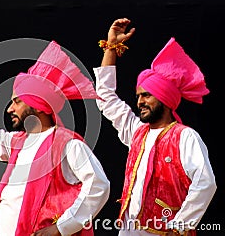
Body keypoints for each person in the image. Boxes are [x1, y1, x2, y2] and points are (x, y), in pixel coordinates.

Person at [0, 40, 110, 235]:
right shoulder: (17, 143)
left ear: (38, 104)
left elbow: (98, 185)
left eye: (17, 101)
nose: (10, 109)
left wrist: (61, 227)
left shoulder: (67, 145)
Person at [92, 18, 217, 235]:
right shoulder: (136, 132)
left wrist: (179, 227)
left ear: (165, 99)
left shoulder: (185, 137)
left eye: (147, 95)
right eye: (138, 96)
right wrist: (111, 48)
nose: (139, 102)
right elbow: (105, 97)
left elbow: (205, 183)